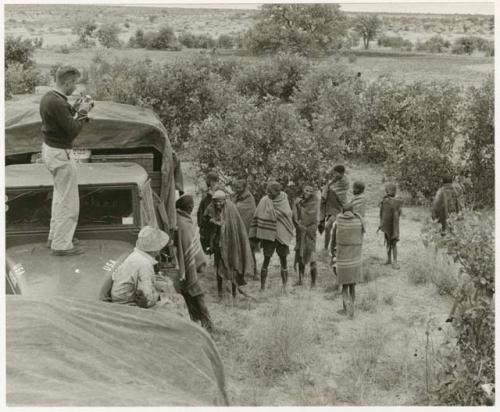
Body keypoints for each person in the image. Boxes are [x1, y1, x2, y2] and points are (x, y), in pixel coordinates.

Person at [40, 66, 93, 256]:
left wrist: (77, 109)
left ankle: (55, 237)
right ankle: (62, 244)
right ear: (68, 82)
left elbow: (64, 121)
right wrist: (84, 113)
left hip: (51, 150)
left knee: (59, 196)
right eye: (74, 84)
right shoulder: (58, 103)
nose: (75, 88)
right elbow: (72, 130)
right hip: (60, 153)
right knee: (68, 201)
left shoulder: (49, 98)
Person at [204, 190, 254, 301]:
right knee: (219, 267)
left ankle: (234, 292)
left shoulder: (231, 208)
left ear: (225, 200)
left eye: (220, 202)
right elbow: (206, 221)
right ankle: (220, 294)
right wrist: (212, 221)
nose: (218, 204)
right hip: (218, 244)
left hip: (231, 242)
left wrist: (223, 226)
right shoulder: (211, 207)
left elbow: (235, 226)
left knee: (232, 266)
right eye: (216, 202)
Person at [175, 195, 214, 332]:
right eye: (190, 205)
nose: (192, 207)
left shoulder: (182, 219)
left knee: (191, 295)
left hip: (189, 265)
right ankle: (208, 325)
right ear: (187, 207)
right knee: (198, 295)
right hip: (190, 266)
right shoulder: (183, 223)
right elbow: (188, 246)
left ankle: (198, 324)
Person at [250, 181, 294, 292]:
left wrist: (276, 215)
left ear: (278, 192)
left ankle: (284, 287)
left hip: (282, 235)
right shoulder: (265, 200)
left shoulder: (284, 199)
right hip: (268, 235)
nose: (268, 193)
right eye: (267, 191)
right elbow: (258, 214)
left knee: (283, 260)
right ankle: (262, 287)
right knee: (266, 259)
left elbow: (288, 214)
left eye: (270, 192)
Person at [110, 226, 169, 308]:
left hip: (120, 299)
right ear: (155, 249)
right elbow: (146, 298)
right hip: (127, 305)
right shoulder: (144, 264)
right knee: (172, 303)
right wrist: (158, 296)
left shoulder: (135, 255)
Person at [331, 204, 365, 319]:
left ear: (342, 211)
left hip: (343, 259)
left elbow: (333, 241)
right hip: (355, 258)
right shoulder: (359, 222)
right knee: (352, 285)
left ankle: (347, 309)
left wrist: (333, 255)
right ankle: (353, 307)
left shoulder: (338, 222)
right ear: (353, 211)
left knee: (344, 286)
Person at [292, 185, 320, 288]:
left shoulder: (315, 201)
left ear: (313, 192)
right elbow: (295, 216)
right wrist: (296, 205)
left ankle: (313, 283)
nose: (307, 192)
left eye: (310, 190)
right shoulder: (300, 202)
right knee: (300, 254)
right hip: (301, 231)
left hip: (310, 232)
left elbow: (313, 216)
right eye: (306, 190)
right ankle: (300, 280)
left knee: (312, 256)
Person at [231, 178, 258, 279]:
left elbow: (250, 214)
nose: (237, 189)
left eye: (239, 188)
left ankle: (255, 272)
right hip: (238, 229)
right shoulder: (237, 196)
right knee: (239, 251)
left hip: (248, 230)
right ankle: (240, 273)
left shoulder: (249, 198)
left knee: (250, 251)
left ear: (244, 188)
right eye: (236, 187)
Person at [319, 165, 349, 251]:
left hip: (340, 208)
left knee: (329, 227)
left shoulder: (344, 182)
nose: (335, 175)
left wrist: (328, 188)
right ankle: (325, 247)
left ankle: (335, 247)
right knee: (328, 227)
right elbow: (326, 189)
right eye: (334, 173)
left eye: (337, 173)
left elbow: (341, 195)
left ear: (342, 173)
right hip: (331, 208)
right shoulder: (333, 181)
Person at [378, 183, 402, 270]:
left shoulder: (396, 201)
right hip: (387, 225)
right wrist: (381, 224)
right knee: (388, 242)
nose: (392, 192)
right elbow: (381, 213)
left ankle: (395, 261)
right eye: (389, 190)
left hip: (394, 226)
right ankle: (389, 259)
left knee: (394, 243)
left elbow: (399, 212)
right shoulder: (384, 201)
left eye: (393, 190)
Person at [197, 171, 220, 253]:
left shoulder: (215, 193)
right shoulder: (207, 194)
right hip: (207, 221)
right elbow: (202, 210)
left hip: (211, 222)